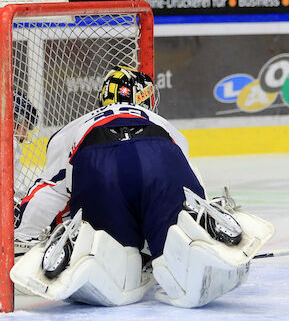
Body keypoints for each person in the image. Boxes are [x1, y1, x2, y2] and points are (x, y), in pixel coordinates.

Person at [11, 65, 274, 307]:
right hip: (158, 155)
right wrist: (200, 220)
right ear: (143, 97)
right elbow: (190, 186)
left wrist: (23, 237)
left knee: (113, 251)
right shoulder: (162, 123)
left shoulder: (74, 127)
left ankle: (109, 257)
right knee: (179, 230)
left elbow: (50, 190)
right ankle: (190, 246)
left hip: (99, 164)